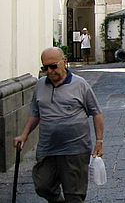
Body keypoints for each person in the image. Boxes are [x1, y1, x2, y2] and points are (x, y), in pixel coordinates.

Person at [13, 47, 104, 203]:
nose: (49, 71)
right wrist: (24, 135)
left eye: (53, 66)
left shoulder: (80, 85)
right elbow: (35, 113)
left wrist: (99, 142)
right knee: (43, 185)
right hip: (48, 148)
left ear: (64, 62)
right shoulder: (40, 85)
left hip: (75, 149)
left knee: (74, 195)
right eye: (45, 67)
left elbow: (96, 113)